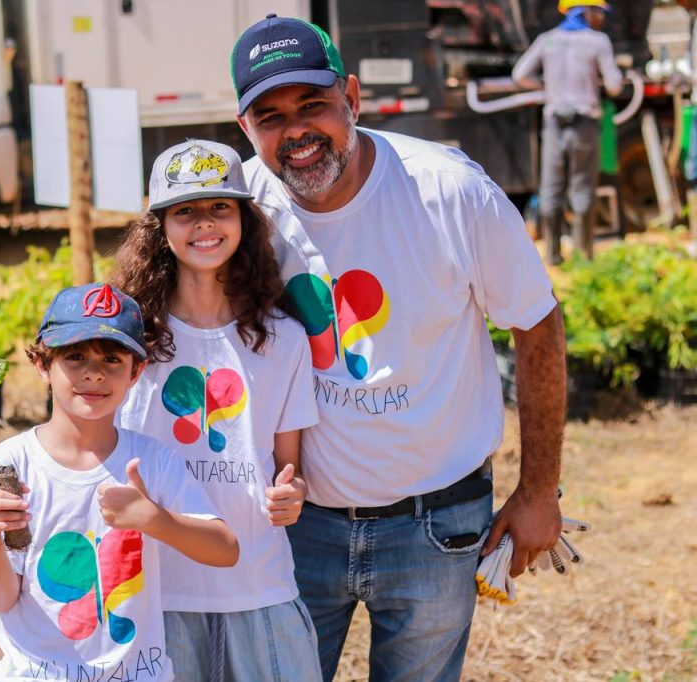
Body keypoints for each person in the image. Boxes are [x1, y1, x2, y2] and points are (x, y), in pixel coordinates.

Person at [230, 14, 568, 681]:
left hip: (436, 524)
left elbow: (537, 326)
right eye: (269, 117)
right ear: (244, 128)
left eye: (313, 105)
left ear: (351, 97)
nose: (295, 132)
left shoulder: (449, 193)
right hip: (297, 530)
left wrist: (539, 491)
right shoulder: (242, 209)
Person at [113, 139, 322, 681]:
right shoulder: (131, 343)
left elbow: (286, 469)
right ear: (160, 227)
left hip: (259, 585)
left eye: (220, 207)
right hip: (157, 591)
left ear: (244, 220)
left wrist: (291, 496)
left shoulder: (285, 341)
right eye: (185, 211)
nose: (204, 224)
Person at [0, 283, 239, 681]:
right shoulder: (11, 464)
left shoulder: (153, 462)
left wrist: (155, 520)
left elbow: (225, 550)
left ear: (136, 372)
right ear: (42, 364)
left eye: (111, 359)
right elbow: (0, 599)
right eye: (74, 357)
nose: (94, 372)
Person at [513, 0, 623, 264]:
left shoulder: (547, 40)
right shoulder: (598, 42)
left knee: (550, 190)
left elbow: (519, 75)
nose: (601, 18)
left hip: (554, 123)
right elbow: (615, 86)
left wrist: (547, 87)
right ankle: (584, 257)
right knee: (583, 190)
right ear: (586, 12)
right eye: (599, 13)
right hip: (584, 123)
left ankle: (552, 257)